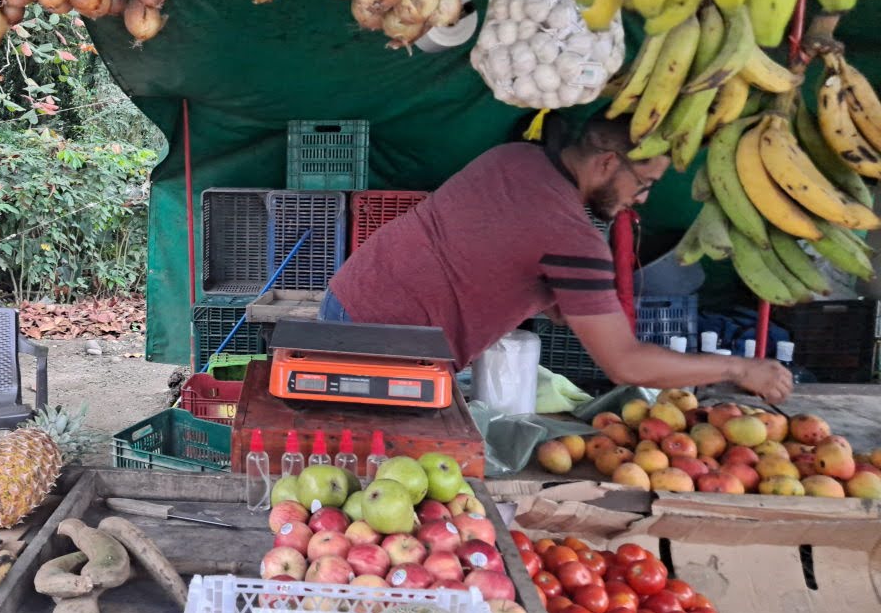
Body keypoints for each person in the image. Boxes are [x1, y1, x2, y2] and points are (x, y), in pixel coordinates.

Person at [320, 116, 794, 403]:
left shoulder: (512, 159)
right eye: (644, 184)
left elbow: (489, 250)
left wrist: (571, 301)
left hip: (347, 300)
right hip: (387, 352)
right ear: (608, 163)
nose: (643, 200)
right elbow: (624, 366)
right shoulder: (571, 236)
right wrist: (739, 368)